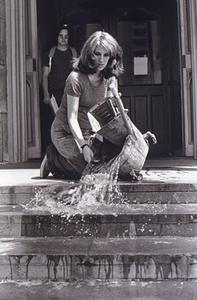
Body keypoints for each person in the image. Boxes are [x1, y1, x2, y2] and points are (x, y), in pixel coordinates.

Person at [40, 30, 124, 179]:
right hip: (65, 132)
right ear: (89, 54)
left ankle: (69, 160)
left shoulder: (110, 79)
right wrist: (83, 146)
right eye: (97, 54)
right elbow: (71, 117)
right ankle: (53, 158)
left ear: (112, 58)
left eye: (106, 55)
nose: (101, 60)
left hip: (89, 133)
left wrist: (116, 103)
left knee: (106, 167)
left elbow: (107, 115)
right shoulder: (76, 79)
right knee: (87, 170)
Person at [41, 24, 77, 148]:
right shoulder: (50, 54)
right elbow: (45, 75)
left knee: (70, 121)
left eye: (66, 36)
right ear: (56, 37)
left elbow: (78, 74)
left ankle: (68, 150)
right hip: (54, 95)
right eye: (61, 36)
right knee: (56, 122)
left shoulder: (73, 52)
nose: (63, 39)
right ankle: (54, 150)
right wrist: (46, 95)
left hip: (70, 94)